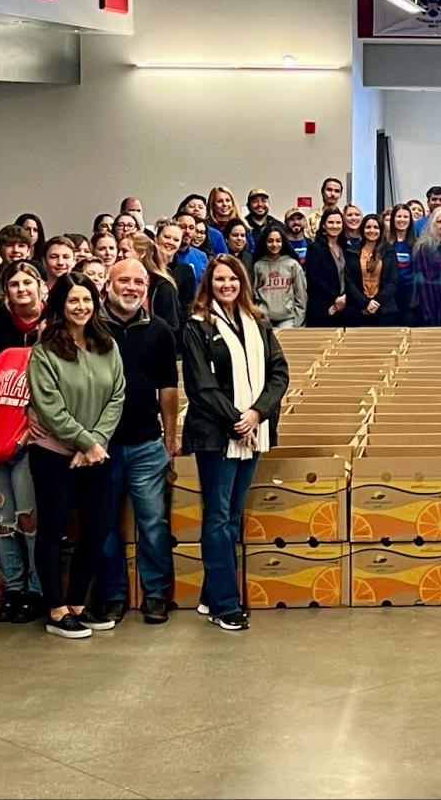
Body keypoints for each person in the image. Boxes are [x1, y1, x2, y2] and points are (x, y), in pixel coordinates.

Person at [181, 256, 289, 633]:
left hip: (253, 430)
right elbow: (199, 385)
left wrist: (257, 413)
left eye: (232, 278)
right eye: (218, 279)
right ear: (208, 285)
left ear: (242, 282)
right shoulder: (197, 326)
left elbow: (279, 372)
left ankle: (212, 595)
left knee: (230, 517)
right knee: (216, 518)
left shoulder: (257, 323)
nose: (226, 285)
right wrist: (235, 420)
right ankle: (225, 605)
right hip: (216, 435)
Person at [26, 273, 127, 639]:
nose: (81, 307)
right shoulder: (45, 350)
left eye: (86, 300)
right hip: (53, 453)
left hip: (96, 454)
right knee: (52, 529)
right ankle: (55, 609)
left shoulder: (106, 345)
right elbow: (48, 406)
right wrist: (84, 441)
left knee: (98, 527)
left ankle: (78, 603)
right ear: (60, 306)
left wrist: (95, 442)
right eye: (73, 301)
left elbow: (117, 395)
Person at [91, 259, 181, 628]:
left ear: (147, 287)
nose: (131, 287)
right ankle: (113, 596)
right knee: (106, 524)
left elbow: (168, 387)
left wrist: (171, 435)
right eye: (123, 280)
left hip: (146, 442)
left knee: (153, 523)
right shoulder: (91, 328)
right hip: (100, 445)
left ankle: (156, 594)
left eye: (138, 282)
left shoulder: (159, 330)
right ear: (107, 285)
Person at [0, 331, 42, 624]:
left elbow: (44, 409)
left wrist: (21, 441)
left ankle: (35, 589)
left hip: (25, 451)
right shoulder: (7, 355)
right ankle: (13, 587)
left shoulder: (51, 364)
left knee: (29, 520)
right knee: (2, 524)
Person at [0, 261, 48, 360]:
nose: (21, 289)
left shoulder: (54, 319)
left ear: (40, 285)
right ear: (6, 289)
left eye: (27, 283)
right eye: (14, 285)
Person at [346, 215, 399, 327]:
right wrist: (365, 303)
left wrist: (375, 302)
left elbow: (393, 281)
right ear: (362, 229)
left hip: (385, 310)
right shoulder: (352, 252)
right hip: (358, 310)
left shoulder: (389, 251)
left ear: (381, 230)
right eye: (368, 227)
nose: (372, 230)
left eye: (376, 227)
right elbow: (349, 282)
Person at [251, 224, 308, 329]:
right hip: (264, 319)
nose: (274, 244)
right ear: (264, 242)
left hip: (288, 319)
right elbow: (253, 294)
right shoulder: (258, 265)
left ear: (283, 242)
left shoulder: (292, 264)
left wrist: (298, 320)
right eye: (270, 241)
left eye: (278, 241)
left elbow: (300, 294)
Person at [300, 209, 350, 328]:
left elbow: (352, 276)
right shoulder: (315, 248)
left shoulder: (347, 248)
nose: (335, 226)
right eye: (331, 222)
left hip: (346, 305)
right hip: (323, 306)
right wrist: (336, 298)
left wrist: (345, 297)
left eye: (338, 223)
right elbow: (314, 279)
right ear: (323, 225)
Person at [386, 205, 415, 325]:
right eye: (399, 216)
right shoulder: (385, 243)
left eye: (405, 217)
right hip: (389, 295)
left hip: (410, 293)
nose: (402, 219)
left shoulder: (416, 244)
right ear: (393, 219)